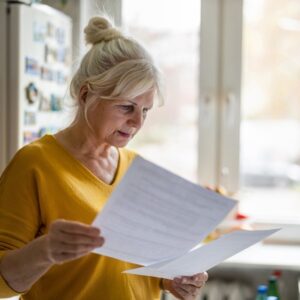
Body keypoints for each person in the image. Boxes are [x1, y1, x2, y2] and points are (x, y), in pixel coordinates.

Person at [0, 16, 208, 300]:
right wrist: (45, 250)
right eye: (126, 107)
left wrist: (172, 279)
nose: (137, 122)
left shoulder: (136, 168)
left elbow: (135, 264)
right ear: (86, 94)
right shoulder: (35, 164)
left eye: (145, 111)